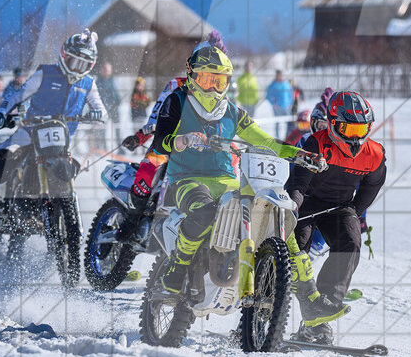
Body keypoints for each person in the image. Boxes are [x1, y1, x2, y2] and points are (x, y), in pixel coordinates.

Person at [147, 46, 323, 299]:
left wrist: (301, 155)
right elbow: (159, 142)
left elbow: (267, 141)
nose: (212, 88)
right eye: (206, 80)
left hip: (227, 180)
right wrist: (183, 140)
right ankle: (176, 269)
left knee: (264, 210)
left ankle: (300, 284)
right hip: (187, 179)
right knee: (205, 212)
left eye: (219, 82)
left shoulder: (232, 112)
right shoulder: (176, 101)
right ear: (192, 76)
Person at [285, 91, 387, 344]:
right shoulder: (315, 144)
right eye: (348, 129)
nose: (355, 137)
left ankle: (320, 313)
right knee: (297, 251)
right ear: (332, 123)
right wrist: (293, 206)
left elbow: (372, 185)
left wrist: (354, 211)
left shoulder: (375, 154)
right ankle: (265, 309)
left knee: (350, 243)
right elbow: (298, 182)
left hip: (339, 207)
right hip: (305, 203)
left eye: (360, 130)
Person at [0, 30, 106, 232]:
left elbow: (102, 110)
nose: (78, 68)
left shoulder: (88, 83)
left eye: (84, 64)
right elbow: (17, 96)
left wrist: (97, 114)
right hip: (30, 132)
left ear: (91, 66)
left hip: (62, 140)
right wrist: (1, 111)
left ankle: (61, 213)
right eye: (75, 62)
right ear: (64, 56)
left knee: (73, 168)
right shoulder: (45, 73)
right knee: (1, 160)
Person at [117, 30, 230, 241]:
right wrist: (142, 135)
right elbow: (157, 116)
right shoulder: (175, 85)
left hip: (204, 152)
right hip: (172, 145)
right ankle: (131, 221)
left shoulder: (223, 94)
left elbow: (228, 125)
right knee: (150, 167)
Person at [95, 61, 122, 149]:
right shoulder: (99, 81)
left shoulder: (113, 80)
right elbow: (99, 95)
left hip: (114, 108)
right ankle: (103, 147)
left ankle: (120, 146)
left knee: (117, 127)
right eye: (105, 70)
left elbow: (115, 93)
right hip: (104, 108)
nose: (107, 72)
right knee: (102, 128)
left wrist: (118, 101)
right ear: (102, 70)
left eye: (109, 70)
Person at [266, 70, 294, 138]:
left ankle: (288, 137)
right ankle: (277, 138)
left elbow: (291, 94)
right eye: (279, 75)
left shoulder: (287, 84)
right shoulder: (272, 85)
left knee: (289, 123)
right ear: (276, 75)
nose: (280, 76)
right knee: (277, 123)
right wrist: (274, 104)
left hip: (287, 107)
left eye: (281, 75)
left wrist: (290, 104)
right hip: (277, 108)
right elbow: (268, 96)